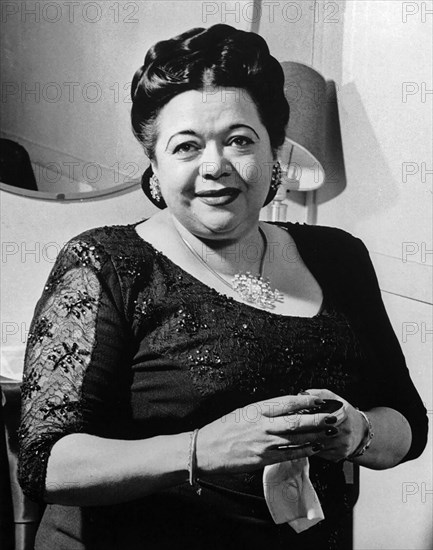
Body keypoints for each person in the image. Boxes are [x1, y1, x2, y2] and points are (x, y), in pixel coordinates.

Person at [18, 24, 428, 550]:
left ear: (275, 152)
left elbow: (407, 423)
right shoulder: (106, 262)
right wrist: (203, 449)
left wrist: (356, 433)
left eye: (239, 140)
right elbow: (45, 460)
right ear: (156, 166)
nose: (215, 166)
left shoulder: (340, 257)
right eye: (186, 146)